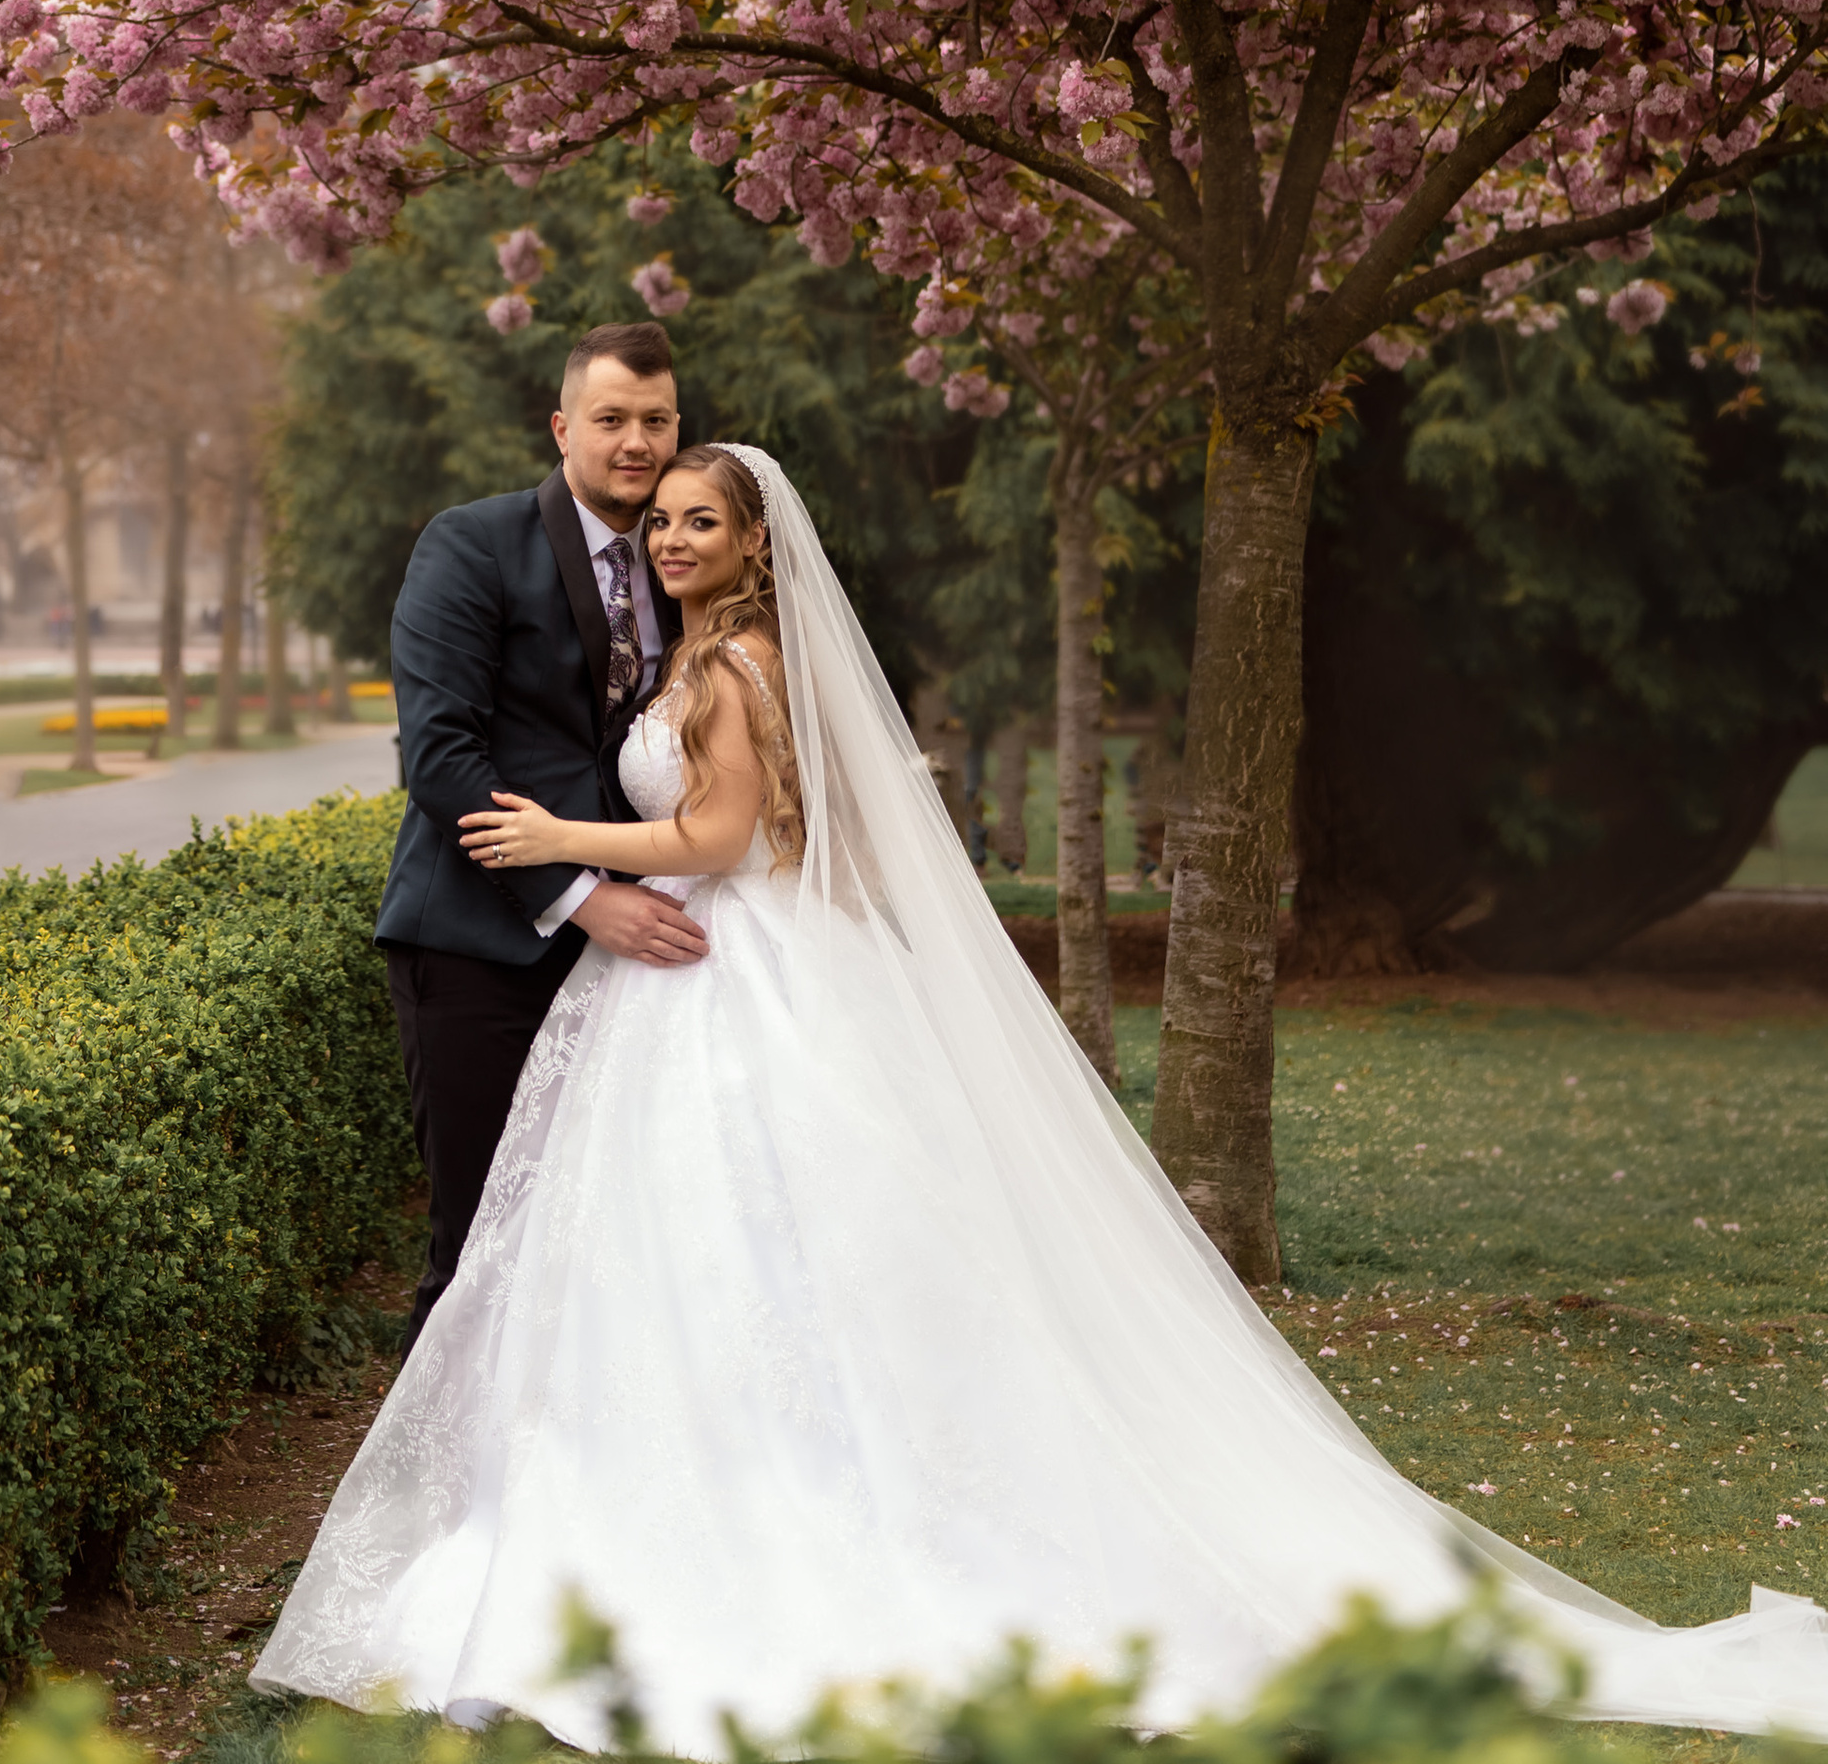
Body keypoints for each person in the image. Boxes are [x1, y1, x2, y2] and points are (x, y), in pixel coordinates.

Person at [258, 442, 1828, 1756]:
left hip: (735, 977)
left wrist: (567, 849)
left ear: (752, 544)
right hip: (698, 987)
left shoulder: (735, 665)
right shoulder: (708, 654)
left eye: (698, 519)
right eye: (660, 517)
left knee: (750, 1252)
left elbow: (731, 841)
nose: (670, 537)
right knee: (686, 1266)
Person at [373, 319, 706, 1351]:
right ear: (564, 426)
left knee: (608, 1243)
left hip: (636, 973)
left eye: (655, 420)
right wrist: (580, 893)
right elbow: (440, 757)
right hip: (480, 948)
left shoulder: (683, 558)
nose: (635, 442)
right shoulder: (471, 545)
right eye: (610, 419)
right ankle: (430, 1502)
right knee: (477, 1245)